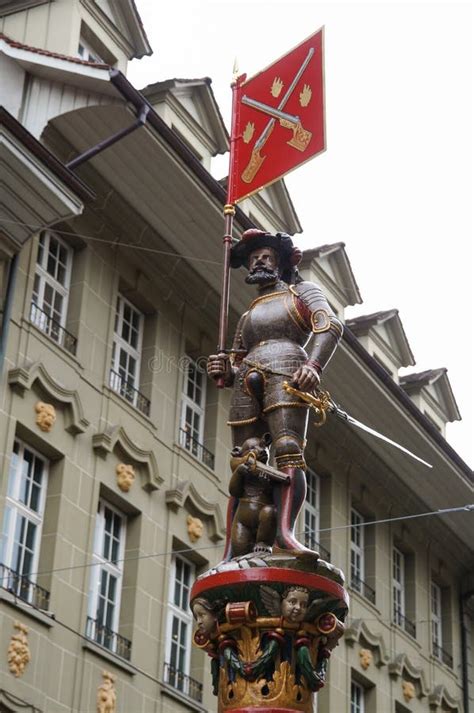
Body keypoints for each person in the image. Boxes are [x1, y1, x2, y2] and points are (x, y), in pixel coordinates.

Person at [208, 229, 342, 555]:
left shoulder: (302, 292)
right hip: (249, 376)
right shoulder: (247, 315)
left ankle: (284, 532)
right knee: (243, 458)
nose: (259, 261)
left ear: (280, 261)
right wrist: (226, 370)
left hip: (287, 370)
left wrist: (312, 366)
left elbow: (330, 325)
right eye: (254, 258)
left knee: (287, 449)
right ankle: (234, 546)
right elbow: (238, 361)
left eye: (266, 256)